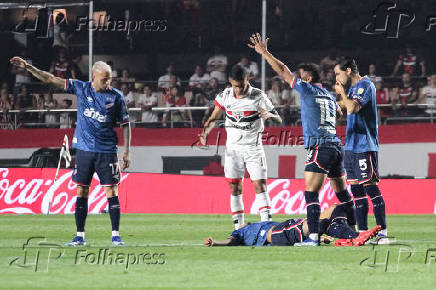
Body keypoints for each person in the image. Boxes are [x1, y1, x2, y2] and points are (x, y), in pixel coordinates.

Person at [10, 57, 131, 246]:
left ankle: (116, 236)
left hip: (106, 150)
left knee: (111, 190)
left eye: (109, 79)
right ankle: (79, 236)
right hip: (83, 150)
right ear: (94, 77)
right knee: (81, 190)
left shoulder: (116, 96)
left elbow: (125, 124)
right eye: (104, 79)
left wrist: (127, 151)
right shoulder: (81, 88)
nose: (108, 83)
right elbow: (50, 79)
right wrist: (29, 67)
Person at [249, 33, 356, 246]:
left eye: (300, 76)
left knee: (311, 194)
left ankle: (313, 238)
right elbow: (339, 113)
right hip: (335, 147)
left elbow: (282, 71)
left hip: (320, 147)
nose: (296, 79)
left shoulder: (307, 89)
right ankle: (355, 230)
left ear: (307, 79)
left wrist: (265, 53)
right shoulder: (327, 95)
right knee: (343, 194)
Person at [199, 64, 282, 230]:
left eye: (242, 85)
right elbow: (214, 117)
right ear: (230, 81)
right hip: (233, 150)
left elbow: (279, 119)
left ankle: (266, 225)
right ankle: (239, 228)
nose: (239, 90)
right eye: (236, 86)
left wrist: (269, 115)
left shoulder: (259, 96)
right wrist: (204, 133)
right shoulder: (225, 96)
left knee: (260, 186)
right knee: (235, 187)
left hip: (253, 148)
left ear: (248, 79)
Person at [334, 57, 389, 244]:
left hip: (364, 146)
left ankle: (383, 234)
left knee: (371, 188)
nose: (336, 78)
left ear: (348, 71)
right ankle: (362, 233)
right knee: (357, 193)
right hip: (350, 146)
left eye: (338, 73)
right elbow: (345, 107)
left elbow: (353, 108)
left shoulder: (365, 85)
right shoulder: (351, 90)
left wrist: (341, 94)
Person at [204, 204, 381, 247]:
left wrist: (320, 239)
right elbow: (230, 241)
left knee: (335, 209)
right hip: (281, 233)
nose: (243, 223)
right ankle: (352, 237)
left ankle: (348, 237)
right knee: (318, 224)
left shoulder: (256, 224)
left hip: (286, 227)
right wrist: (215, 242)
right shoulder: (240, 234)